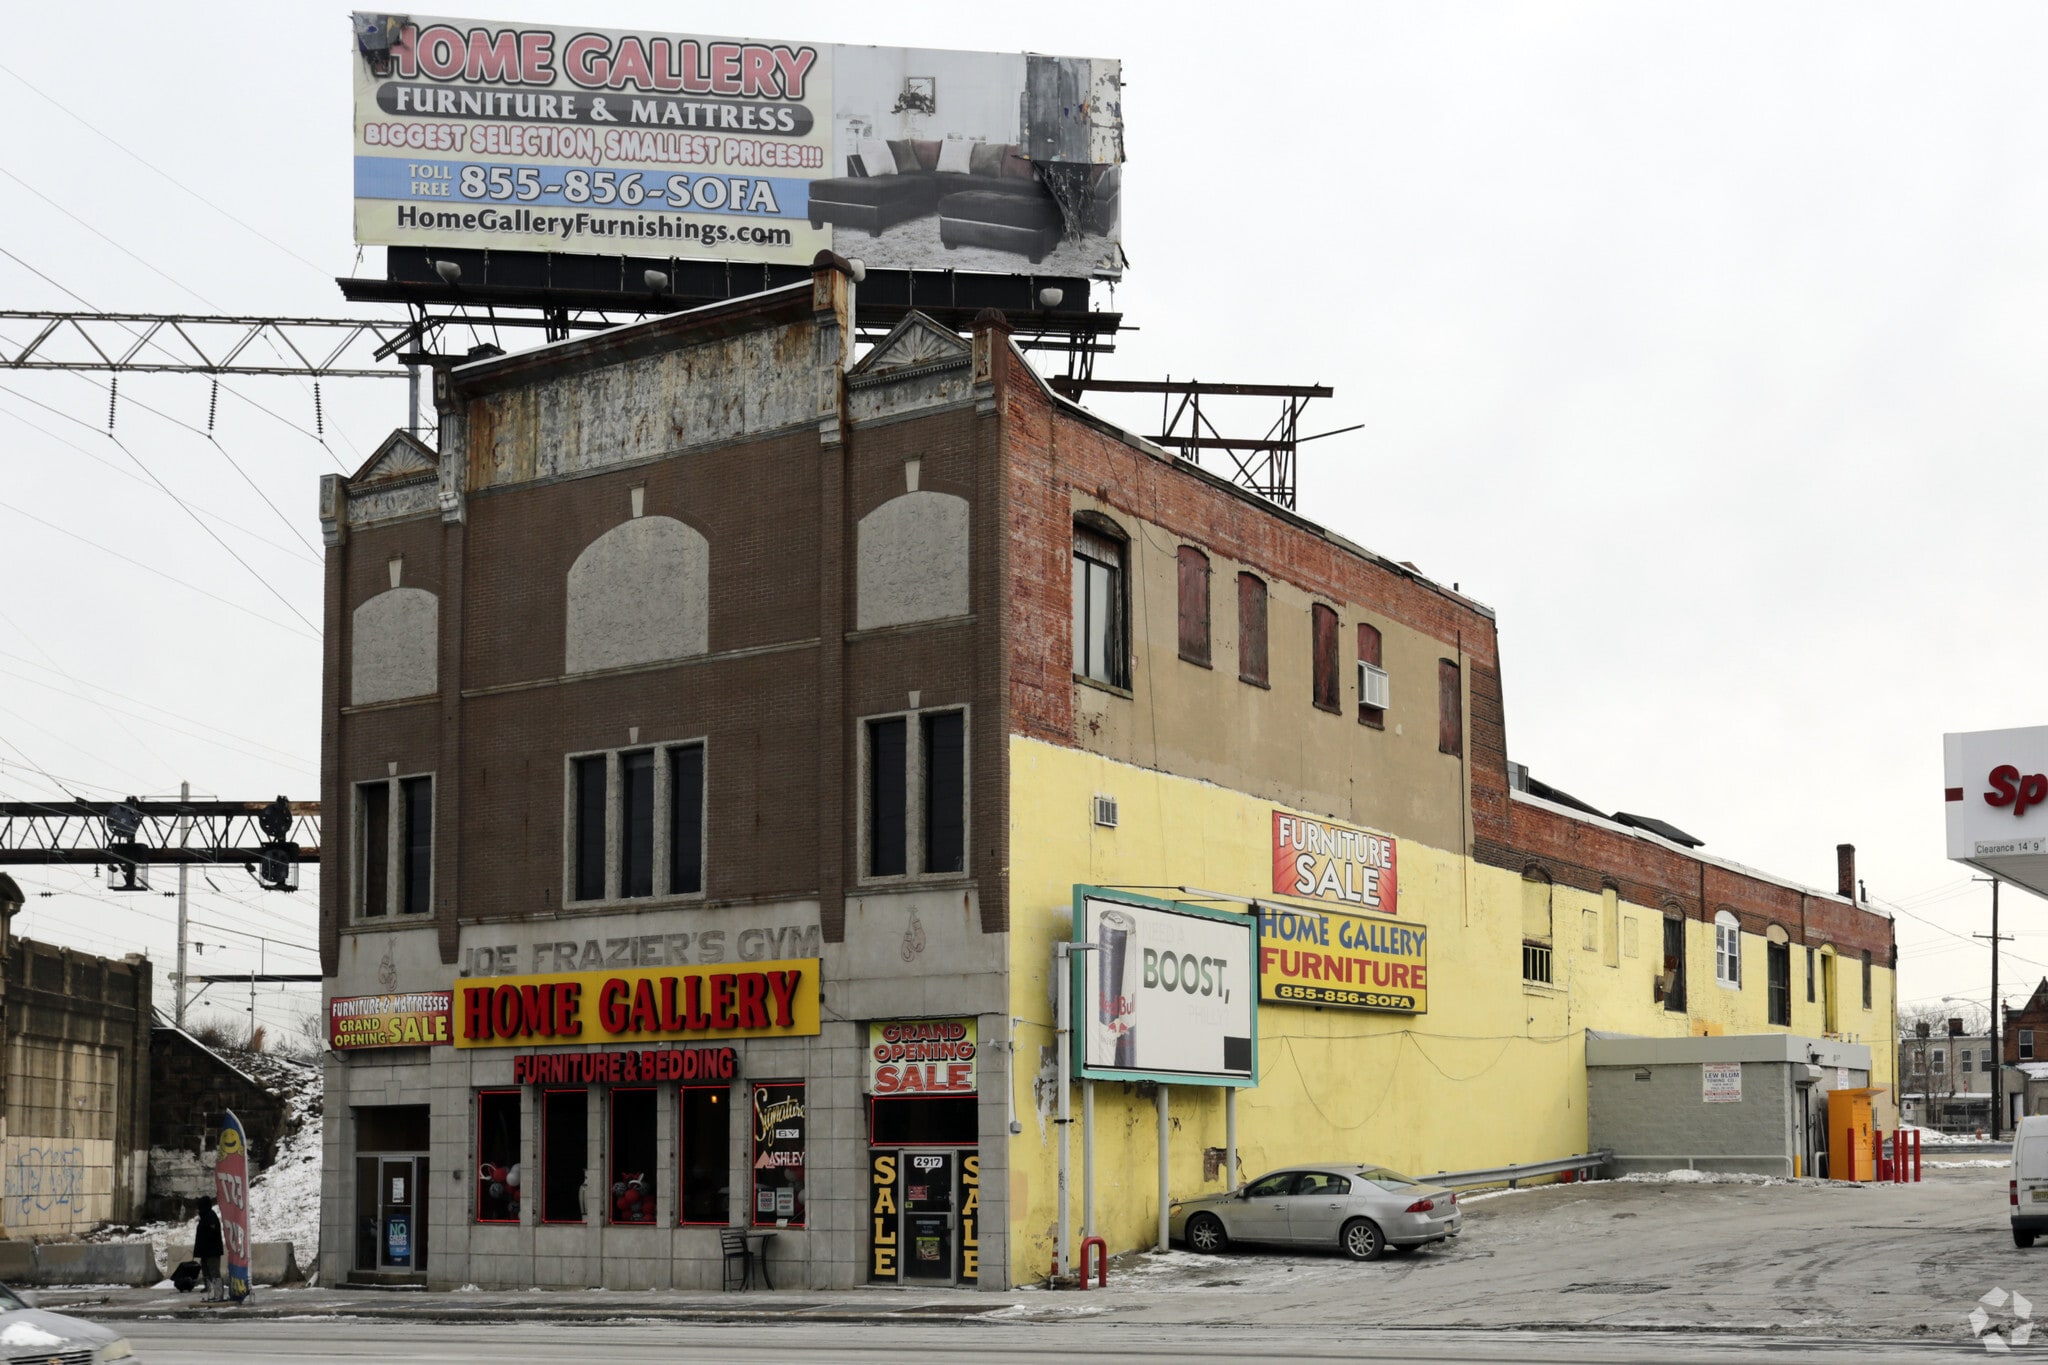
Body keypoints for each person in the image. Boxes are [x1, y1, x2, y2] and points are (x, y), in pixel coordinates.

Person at [194, 1195, 225, 1301]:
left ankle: (218, 1294)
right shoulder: (205, 1217)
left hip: (212, 1252)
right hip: (205, 1252)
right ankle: (211, 1294)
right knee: (207, 1273)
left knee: (214, 1273)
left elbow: (212, 1234)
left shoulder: (211, 1216)